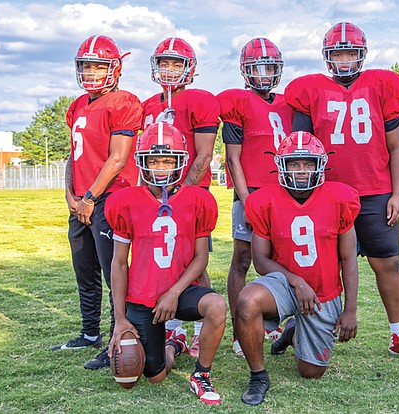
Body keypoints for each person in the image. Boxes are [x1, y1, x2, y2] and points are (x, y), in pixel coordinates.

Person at [284, 22, 399, 364]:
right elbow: (302, 150)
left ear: (362, 55)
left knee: (388, 264)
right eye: (339, 53)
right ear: (328, 57)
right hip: (328, 194)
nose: (345, 60)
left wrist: (398, 194)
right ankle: (301, 329)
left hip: (375, 192)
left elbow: (397, 148)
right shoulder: (310, 90)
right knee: (321, 268)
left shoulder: (381, 86)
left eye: (350, 53)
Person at [235, 131, 361, 405]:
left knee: (311, 372)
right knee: (247, 300)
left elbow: (349, 259)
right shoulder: (264, 201)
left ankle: (292, 332)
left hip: (323, 291)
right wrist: (295, 281)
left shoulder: (340, 199)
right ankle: (258, 376)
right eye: (294, 164)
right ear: (282, 165)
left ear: (320, 164)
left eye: (308, 163)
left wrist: (350, 309)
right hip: (284, 282)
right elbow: (260, 261)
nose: (301, 171)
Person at [105, 122, 226, 405]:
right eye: (154, 160)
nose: (160, 167)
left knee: (217, 305)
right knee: (153, 376)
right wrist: (120, 319)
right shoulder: (124, 202)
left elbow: (201, 258)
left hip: (181, 291)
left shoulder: (199, 200)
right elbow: (119, 264)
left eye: (168, 160)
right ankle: (174, 345)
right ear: (142, 162)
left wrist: (174, 292)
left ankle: (202, 375)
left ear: (180, 162)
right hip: (142, 296)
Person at [52, 35, 142, 371]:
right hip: (81, 201)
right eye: (86, 65)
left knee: (113, 273)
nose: (90, 72)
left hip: (109, 199)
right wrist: (70, 194)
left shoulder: (124, 102)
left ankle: (117, 338)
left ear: (115, 68)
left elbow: (118, 158)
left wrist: (90, 197)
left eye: (98, 65)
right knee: (84, 270)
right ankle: (89, 333)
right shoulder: (77, 105)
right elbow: (72, 155)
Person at [141, 37, 220, 358]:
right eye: (164, 63)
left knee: (195, 263)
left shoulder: (200, 100)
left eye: (177, 63)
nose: (169, 70)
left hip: (189, 194)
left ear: (190, 69)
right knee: (162, 263)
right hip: (155, 196)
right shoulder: (148, 106)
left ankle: (201, 329)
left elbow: (203, 156)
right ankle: (173, 330)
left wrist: (180, 194)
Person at [217, 37, 293, 355]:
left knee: (281, 258)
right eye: (257, 67)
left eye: (269, 67)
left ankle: (271, 322)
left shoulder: (290, 103)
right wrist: (247, 200)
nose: (263, 74)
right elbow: (233, 158)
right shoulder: (238, 103)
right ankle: (240, 329)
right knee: (243, 259)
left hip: (285, 192)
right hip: (252, 193)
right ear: (245, 71)